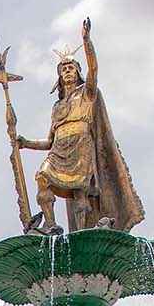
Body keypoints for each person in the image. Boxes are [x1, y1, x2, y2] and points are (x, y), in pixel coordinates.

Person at [13, 17, 143, 235]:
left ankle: (82, 232)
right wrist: (25, 143)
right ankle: (51, 224)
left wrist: (86, 41)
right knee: (42, 176)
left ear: (78, 71)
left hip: (81, 145)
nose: (67, 71)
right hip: (59, 149)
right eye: (63, 69)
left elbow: (94, 69)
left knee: (80, 192)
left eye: (71, 67)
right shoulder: (58, 106)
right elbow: (49, 142)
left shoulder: (87, 94)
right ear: (59, 75)